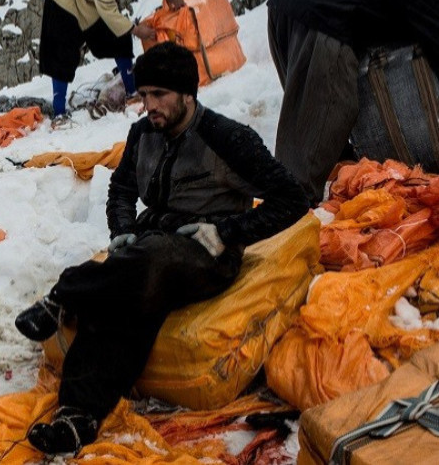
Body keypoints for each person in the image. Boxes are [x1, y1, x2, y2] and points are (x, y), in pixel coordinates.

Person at [15, 42, 308, 454]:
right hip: (150, 245)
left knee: (151, 267)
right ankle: (77, 416)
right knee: (129, 297)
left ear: (188, 94)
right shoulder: (142, 134)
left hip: (206, 251)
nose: (148, 105)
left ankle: (64, 295)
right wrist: (121, 229)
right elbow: (121, 188)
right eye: (144, 94)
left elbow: (292, 199)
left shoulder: (227, 138)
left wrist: (229, 231)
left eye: (159, 95)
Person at [267, 0, 439, 205]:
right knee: (316, 138)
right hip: (320, 14)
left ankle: (328, 199)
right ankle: (288, 224)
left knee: (311, 127)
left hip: (287, 6)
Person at [40, 0, 185, 127]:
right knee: (62, 51)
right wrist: (136, 30)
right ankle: (59, 113)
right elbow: (106, 8)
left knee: (119, 38)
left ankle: (132, 92)